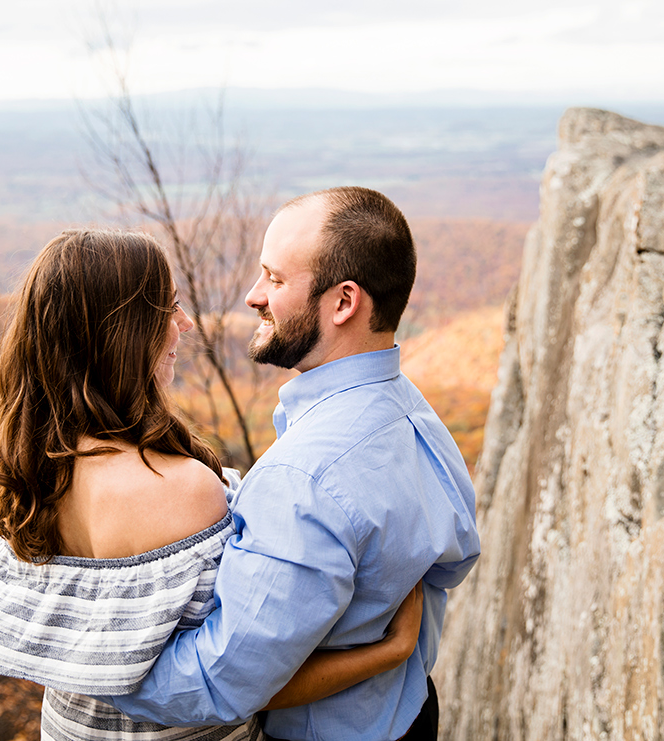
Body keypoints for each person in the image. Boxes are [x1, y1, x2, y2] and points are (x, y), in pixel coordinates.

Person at [0, 229, 425, 741]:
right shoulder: (179, 490)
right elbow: (234, 681)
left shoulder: (35, 475)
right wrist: (386, 652)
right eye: (168, 309)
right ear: (122, 334)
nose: (185, 323)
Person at [95, 187, 481, 740]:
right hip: (409, 709)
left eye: (275, 279)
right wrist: (384, 642)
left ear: (343, 303)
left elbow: (215, 684)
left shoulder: (303, 480)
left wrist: (89, 668)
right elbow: (455, 558)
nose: (254, 295)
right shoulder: (410, 410)